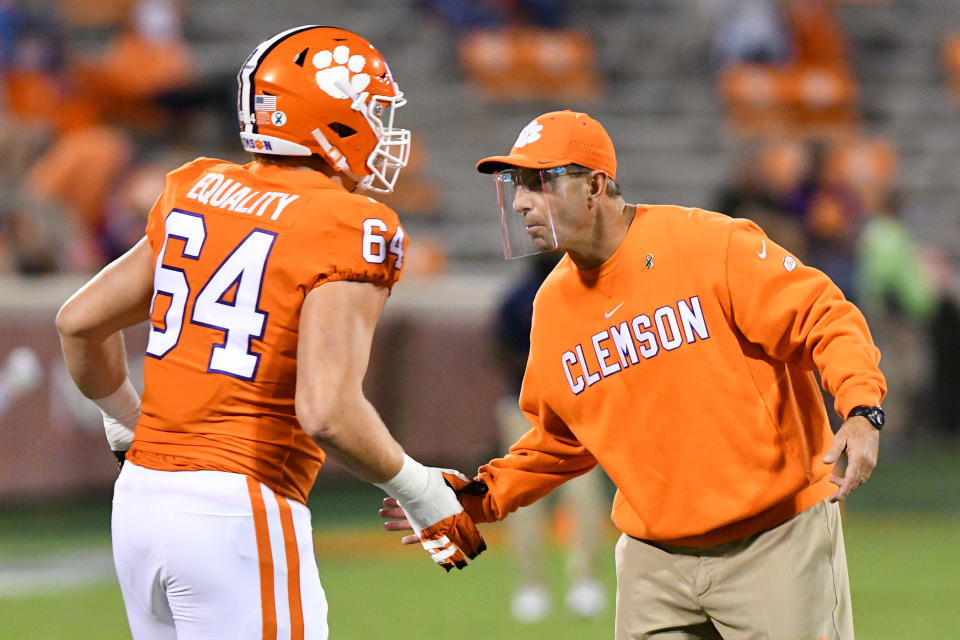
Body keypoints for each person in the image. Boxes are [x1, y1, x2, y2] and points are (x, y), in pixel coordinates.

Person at [383, 110, 886, 639]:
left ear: (595, 185)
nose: (522, 201)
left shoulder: (706, 243)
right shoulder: (552, 306)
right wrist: (478, 500)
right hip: (655, 563)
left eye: (540, 182)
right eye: (516, 186)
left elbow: (823, 316)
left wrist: (861, 407)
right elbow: (557, 443)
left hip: (773, 542)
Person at [56, 26, 484, 640]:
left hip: (141, 506)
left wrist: (128, 417)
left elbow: (77, 324)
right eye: (370, 109)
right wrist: (420, 491)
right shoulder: (348, 223)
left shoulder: (197, 187)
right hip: (239, 505)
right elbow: (328, 412)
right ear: (330, 116)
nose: (382, 127)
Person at [492, 252, 608, 622]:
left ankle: (586, 579)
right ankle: (530, 585)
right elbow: (499, 348)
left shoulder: (582, 289)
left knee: (585, 497)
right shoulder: (518, 296)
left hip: (577, 407)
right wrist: (538, 376)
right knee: (523, 499)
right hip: (525, 407)